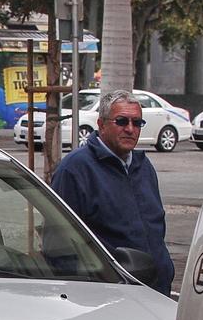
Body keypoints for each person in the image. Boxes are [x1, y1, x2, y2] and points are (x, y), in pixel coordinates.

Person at [50, 89, 174, 295]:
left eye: (137, 123)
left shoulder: (143, 166)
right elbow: (59, 242)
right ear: (101, 124)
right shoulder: (75, 169)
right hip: (109, 295)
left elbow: (155, 226)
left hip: (156, 292)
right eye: (122, 121)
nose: (130, 129)